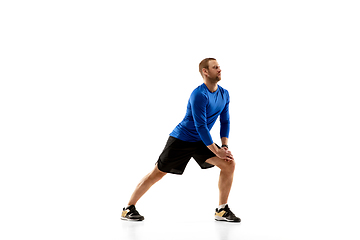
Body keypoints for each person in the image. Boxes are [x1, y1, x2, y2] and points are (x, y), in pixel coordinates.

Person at [121, 58, 240, 222]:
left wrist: (224, 147)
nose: (219, 70)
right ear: (205, 71)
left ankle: (221, 210)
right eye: (215, 67)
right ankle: (128, 208)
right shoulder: (199, 94)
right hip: (181, 140)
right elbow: (201, 126)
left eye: (219, 67)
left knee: (229, 164)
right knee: (157, 174)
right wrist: (216, 150)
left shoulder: (224, 93)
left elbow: (225, 121)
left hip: (201, 141)